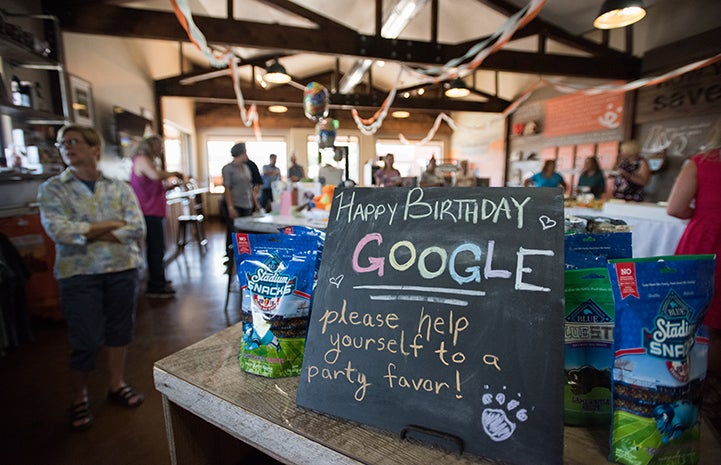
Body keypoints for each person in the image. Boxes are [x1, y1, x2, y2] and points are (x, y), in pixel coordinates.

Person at [37, 124, 146, 432]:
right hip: (78, 274)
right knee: (84, 338)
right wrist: (110, 224)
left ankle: (116, 383)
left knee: (120, 331)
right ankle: (79, 396)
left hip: (121, 269)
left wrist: (85, 230)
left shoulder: (119, 187)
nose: (67, 147)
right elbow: (59, 231)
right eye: (62, 144)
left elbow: (136, 229)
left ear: (94, 148)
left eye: (73, 142)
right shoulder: (53, 189)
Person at [666, 121, 721, 419]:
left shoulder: (701, 163)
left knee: (690, 315)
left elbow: (675, 208)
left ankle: (692, 386)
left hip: (706, 242)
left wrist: (702, 214)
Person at [129, 135, 183, 298]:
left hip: (154, 210)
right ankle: (156, 286)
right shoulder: (142, 159)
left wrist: (169, 187)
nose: (160, 151)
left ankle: (159, 280)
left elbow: (153, 184)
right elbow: (155, 175)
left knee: (158, 248)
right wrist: (174, 173)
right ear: (151, 146)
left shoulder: (147, 161)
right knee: (155, 249)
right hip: (148, 212)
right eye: (159, 147)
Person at [222, 142, 257, 253]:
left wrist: (256, 204)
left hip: (247, 203)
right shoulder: (228, 168)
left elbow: (249, 187)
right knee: (233, 232)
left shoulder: (246, 168)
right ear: (241, 153)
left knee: (246, 232)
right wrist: (230, 207)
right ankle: (231, 255)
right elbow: (227, 188)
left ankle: (244, 255)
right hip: (235, 204)